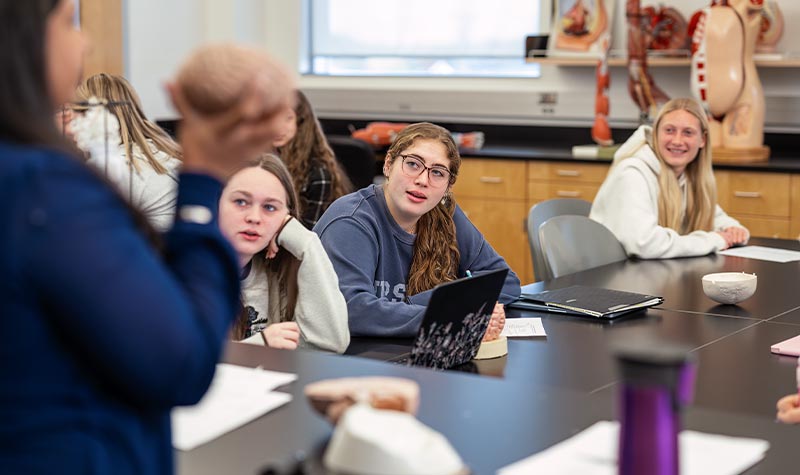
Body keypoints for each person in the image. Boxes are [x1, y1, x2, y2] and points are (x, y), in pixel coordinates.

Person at [0, 1, 293, 473]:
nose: (84, 42)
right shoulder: (46, 191)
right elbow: (180, 364)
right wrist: (204, 177)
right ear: (24, 37)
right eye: (68, 23)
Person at [314, 122, 521, 337]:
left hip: (408, 346)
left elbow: (505, 281)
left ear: (448, 186)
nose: (423, 180)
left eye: (438, 173)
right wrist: (448, 312)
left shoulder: (445, 214)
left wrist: (422, 305)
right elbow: (352, 311)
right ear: (388, 165)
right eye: (413, 164)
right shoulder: (351, 220)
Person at [219, 154, 349, 353]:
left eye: (270, 207)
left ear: (286, 217)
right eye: (241, 202)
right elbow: (177, 361)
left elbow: (330, 343)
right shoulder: (181, 268)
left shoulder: (274, 272)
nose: (254, 217)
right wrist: (260, 345)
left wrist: (307, 244)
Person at [590, 97, 749, 259]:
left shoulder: (687, 177)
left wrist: (733, 231)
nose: (677, 141)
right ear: (656, 133)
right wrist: (714, 240)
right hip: (608, 271)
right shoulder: (632, 174)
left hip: (645, 269)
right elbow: (644, 243)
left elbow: (717, 219)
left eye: (688, 132)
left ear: (703, 140)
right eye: (669, 130)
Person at [71, 73, 183, 231]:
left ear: (91, 119)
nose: (73, 125)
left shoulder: (117, 166)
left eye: (76, 115)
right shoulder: (156, 151)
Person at [273, 90, 352, 228]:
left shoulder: (318, 174)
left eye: (287, 118)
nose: (278, 126)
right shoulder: (257, 162)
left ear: (301, 122)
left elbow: (307, 235)